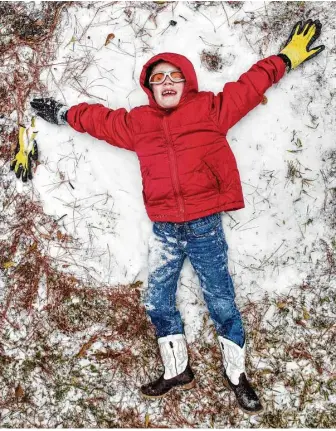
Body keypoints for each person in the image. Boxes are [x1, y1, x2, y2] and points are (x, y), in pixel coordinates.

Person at [30, 20, 324, 414]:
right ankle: (177, 369)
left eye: (174, 77)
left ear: (187, 83)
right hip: (165, 228)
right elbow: (98, 120)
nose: (167, 83)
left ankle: (236, 375)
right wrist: (64, 113)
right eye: (158, 79)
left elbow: (250, 87)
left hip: (205, 226)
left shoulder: (211, 110)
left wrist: (285, 58)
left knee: (220, 301)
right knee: (156, 301)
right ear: (149, 88)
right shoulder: (138, 124)